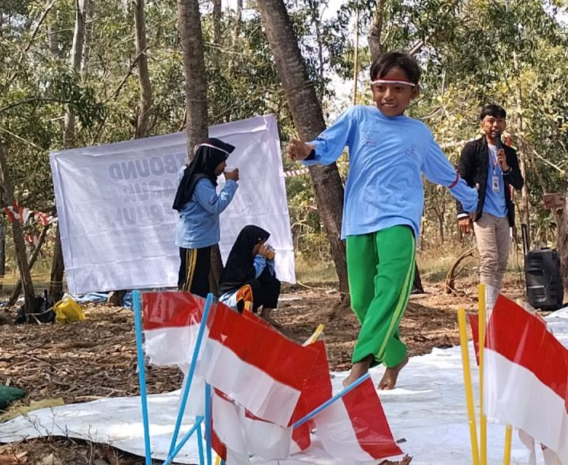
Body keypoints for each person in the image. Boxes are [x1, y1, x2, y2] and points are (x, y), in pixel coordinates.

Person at [287, 51, 478, 390]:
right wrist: (307, 151)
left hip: (400, 219)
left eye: (398, 89)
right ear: (373, 89)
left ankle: (359, 366)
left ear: (413, 93)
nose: (388, 96)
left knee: (390, 289)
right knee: (362, 300)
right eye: (381, 87)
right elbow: (327, 145)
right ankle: (395, 354)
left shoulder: (418, 133)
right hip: (358, 220)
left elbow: (444, 173)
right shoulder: (358, 117)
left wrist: (471, 199)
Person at [456, 105, 525, 308]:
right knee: (489, 260)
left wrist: (506, 167)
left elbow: (518, 183)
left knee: (502, 262)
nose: (496, 125)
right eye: (491, 120)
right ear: (482, 124)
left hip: (503, 213)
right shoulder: (473, 149)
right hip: (482, 211)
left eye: (500, 121)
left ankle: (494, 306)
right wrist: (462, 213)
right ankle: (486, 310)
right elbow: (461, 181)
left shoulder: (509, 152)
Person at [172, 138, 239, 297]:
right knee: (190, 285)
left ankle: (200, 311)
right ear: (212, 160)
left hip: (200, 239)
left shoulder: (188, 173)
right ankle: (186, 311)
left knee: (200, 283)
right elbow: (215, 206)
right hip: (194, 240)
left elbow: (184, 170)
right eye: (222, 161)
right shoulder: (201, 182)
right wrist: (230, 183)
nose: (225, 166)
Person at [219, 225, 280, 320]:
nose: (262, 247)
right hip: (231, 299)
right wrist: (261, 258)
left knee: (273, 282)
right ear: (251, 243)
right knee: (253, 284)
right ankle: (250, 315)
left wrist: (269, 261)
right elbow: (252, 275)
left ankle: (265, 315)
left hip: (246, 297)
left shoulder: (254, 258)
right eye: (260, 244)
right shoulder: (237, 260)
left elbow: (269, 276)